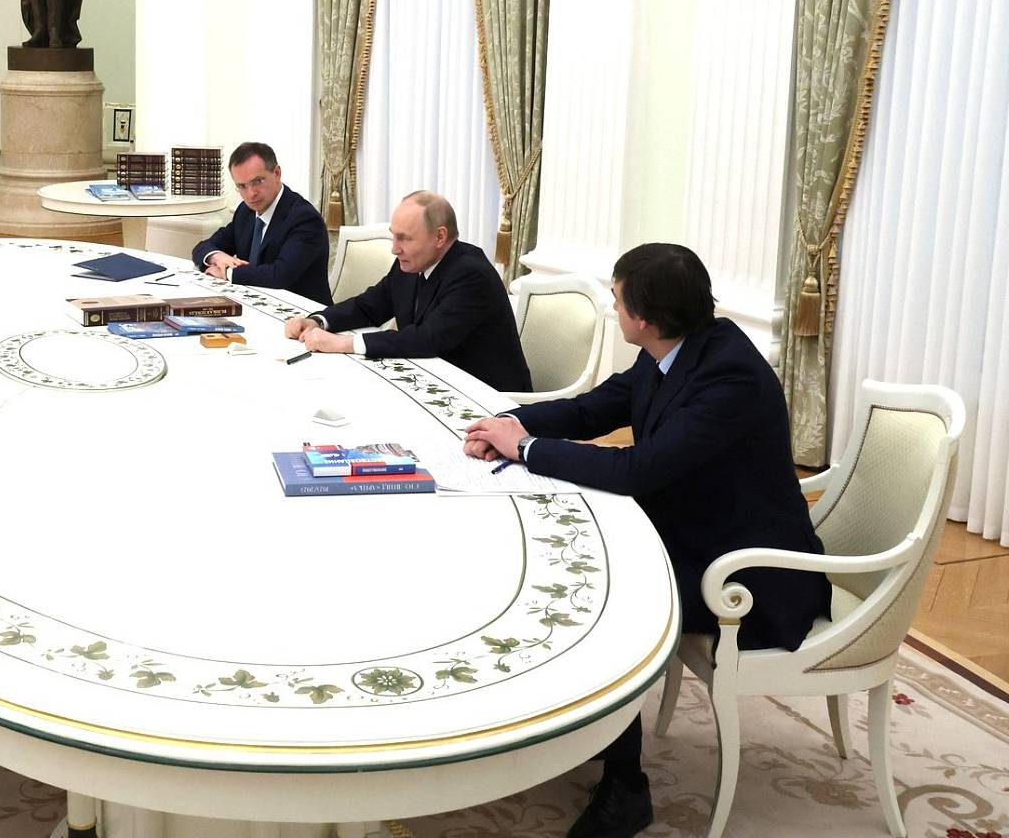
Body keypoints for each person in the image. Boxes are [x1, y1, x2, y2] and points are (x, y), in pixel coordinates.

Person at [462, 243, 830, 838]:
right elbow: (595, 409)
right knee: (564, 559)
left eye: (617, 299)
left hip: (747, 571)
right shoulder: (673, 349)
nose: (613, 307)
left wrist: (525, 450)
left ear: (646, 318)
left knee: (605, 600)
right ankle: (570, 722)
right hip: (693, 526)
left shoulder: (728, 375)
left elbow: (639, 470)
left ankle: (626, 787)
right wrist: (508, 424)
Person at [283, 191, 530, 393]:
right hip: (431, 379)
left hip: (488, 399)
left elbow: (427, 339)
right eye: (394, 237)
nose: (395, 249)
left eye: (405, 239)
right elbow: (370, 306)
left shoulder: (471, 274)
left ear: (439, 236)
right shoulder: (413, 262)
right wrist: (318, 321)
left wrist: (343, 343)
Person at [191, 142, 331, 305]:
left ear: (277, 173)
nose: (251, 194)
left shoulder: (305, 218)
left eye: (257, 181)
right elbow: (203, 247)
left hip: (302, 311)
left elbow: (279, 276)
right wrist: (216, 256)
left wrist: (227, 272)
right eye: (242, 186)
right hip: (253, 302)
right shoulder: (245, 211)